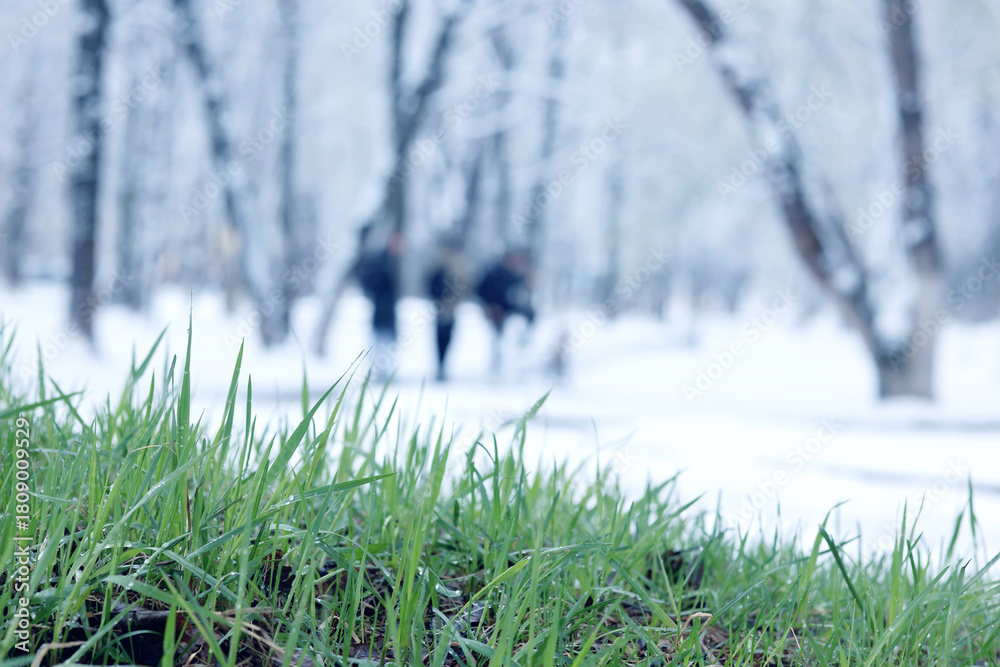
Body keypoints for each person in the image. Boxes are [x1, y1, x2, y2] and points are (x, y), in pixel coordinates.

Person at [476, 249, 535, 374]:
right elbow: (480, 291)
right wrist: (489, 306)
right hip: (495, 312)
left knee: (509, 337)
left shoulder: (517, 275)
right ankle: (497, 364)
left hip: (508, 312)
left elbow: (519, 298)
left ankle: (515, 360)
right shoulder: (494, 274)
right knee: (497, 339)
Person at [356, 232, 402, 381]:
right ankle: (378, 372)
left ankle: (382, 371)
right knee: (381, 341)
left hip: (388, 310)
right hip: (382, 310)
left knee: (387, 341)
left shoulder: (392, 261)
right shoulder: (383, 261)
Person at [426, 237, 468, 381]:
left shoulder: (456, 267)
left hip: (450, 310)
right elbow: (431, 284)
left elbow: (462, 286)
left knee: (446, 338)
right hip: (441, 309)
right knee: (440, 339)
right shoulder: (438, 266)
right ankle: (440, 366)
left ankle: (443, 366)